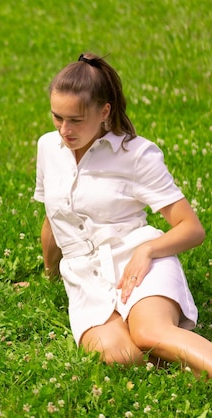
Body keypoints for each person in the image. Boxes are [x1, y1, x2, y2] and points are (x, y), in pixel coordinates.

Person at [33, 52, 212, 378]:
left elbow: (192, 229)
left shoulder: (136, 155)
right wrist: (50, 274)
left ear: (105, 112)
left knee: (149, 334)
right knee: (121, 356)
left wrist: (147, 250)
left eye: (75, 120)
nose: (64, 130)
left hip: (139, 260)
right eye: (57, 117)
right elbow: (52, 219)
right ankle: (181, 367)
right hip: (85, 276)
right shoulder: (48, 147)